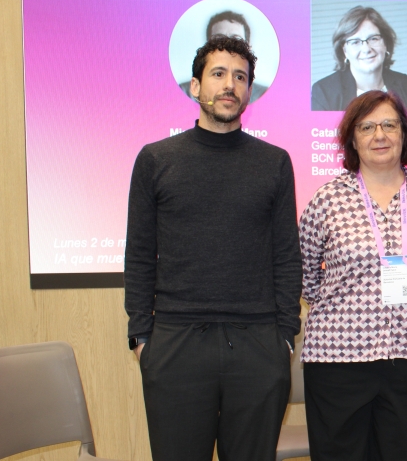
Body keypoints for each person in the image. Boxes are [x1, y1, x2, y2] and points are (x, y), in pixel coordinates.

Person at [125, 35, 301, 461]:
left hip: (258, 346)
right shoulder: (156, 159)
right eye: (218, 74)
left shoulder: (274, 162)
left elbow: (285, 254)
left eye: (240, 77)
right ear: (195, 87)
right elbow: (139, 253)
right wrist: (141, 335)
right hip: (176, 345)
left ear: (248, 92)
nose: (230, 85)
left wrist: (285, 337)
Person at [298, 90, 407, 460]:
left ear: (404, 134)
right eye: (367, 127)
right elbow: (303, 276)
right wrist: (347, 311)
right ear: (352, 138)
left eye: (389, 124)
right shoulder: (327, 200)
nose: (379, 135)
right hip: (338, 359)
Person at [311, 6, 407, 111]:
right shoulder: (324, 91)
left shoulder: (402, 82)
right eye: (355, 42)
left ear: (386, 43)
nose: (366, 49)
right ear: (345, 51)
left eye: (373, 39)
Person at [179, 10, 269, 102]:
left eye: (236, 40)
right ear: (207, 45)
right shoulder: (184, 91)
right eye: (219, 39)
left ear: (248, 47)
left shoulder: (264, 94)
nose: (227, 47)